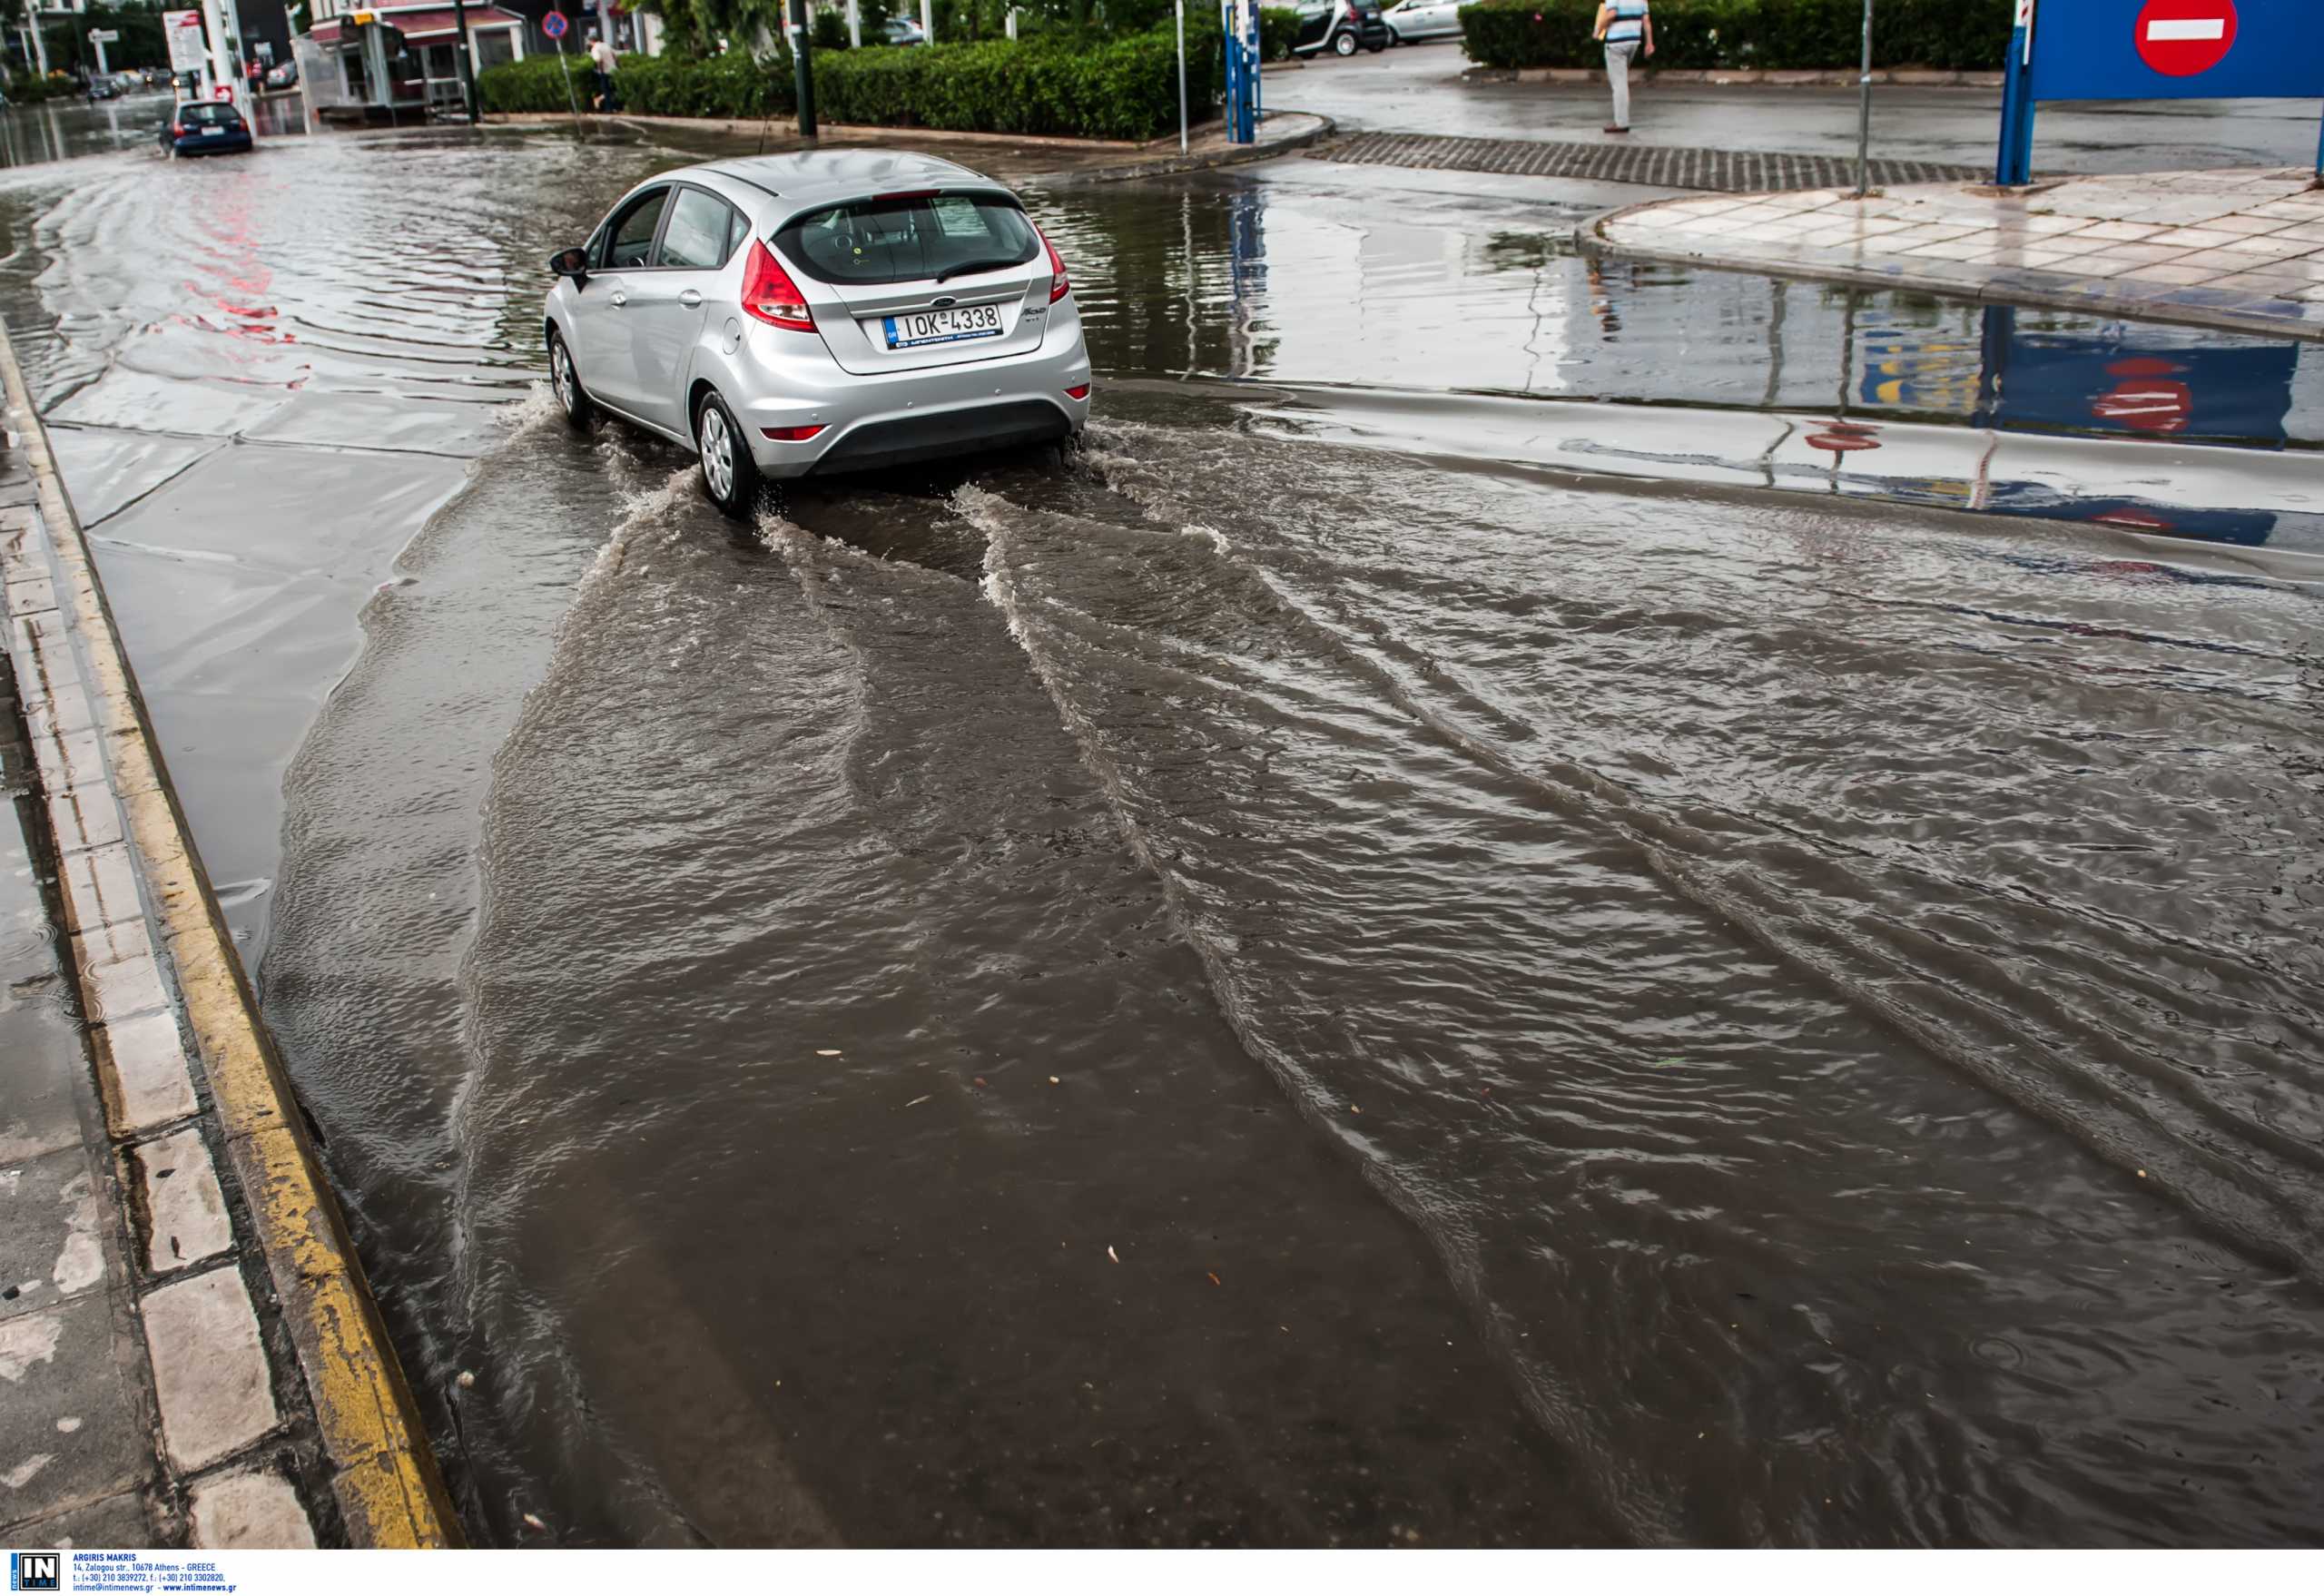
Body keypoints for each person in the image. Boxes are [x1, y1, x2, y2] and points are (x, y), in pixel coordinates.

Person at [1591, 0, 1652, 135]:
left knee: (1619, 85)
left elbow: (1611, 14)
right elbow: (1646, 21)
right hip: (1633, 41)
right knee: (1622, 81)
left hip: (1616, 43)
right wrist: (1649, 43)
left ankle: (1621, 123)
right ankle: (1621, 120)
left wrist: (1598, 30)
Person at [587, 30, 619, 112]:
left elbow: (599, 60)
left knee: (606, 90)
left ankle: (608, 108)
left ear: (591, 41)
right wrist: (617, 67)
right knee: (613, 90)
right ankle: (615, 107)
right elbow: (615, 57)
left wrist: (600, 71)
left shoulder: (595, 48)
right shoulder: (606, 45)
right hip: (614, 70)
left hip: (605, 71)